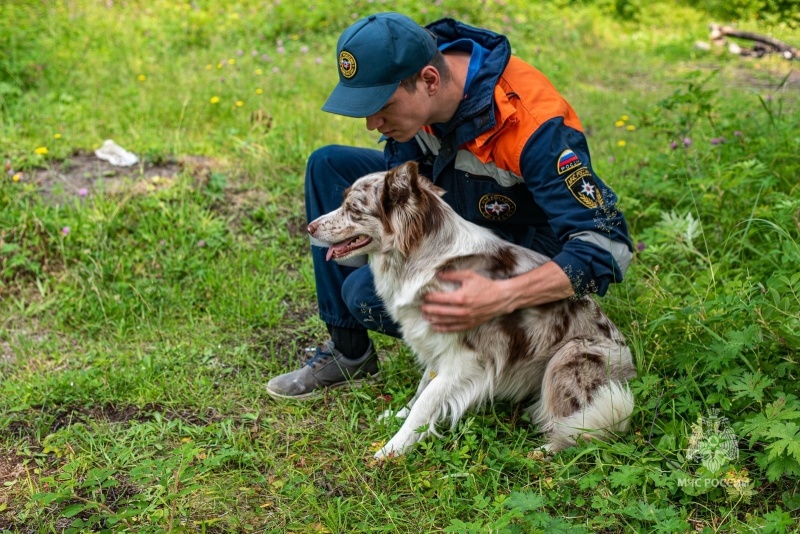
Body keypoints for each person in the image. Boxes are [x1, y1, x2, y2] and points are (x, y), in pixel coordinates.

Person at [266, 12, 633, 399]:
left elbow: (608, 247)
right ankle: (349, 353)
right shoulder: (418, 97)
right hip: (457, 219)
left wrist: (502, 295)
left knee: (362, 293)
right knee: (327, 165)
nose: (372, 123)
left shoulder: (532, 125)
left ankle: (497, 354)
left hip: (518, 247)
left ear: (429, 80)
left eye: (382, 106)